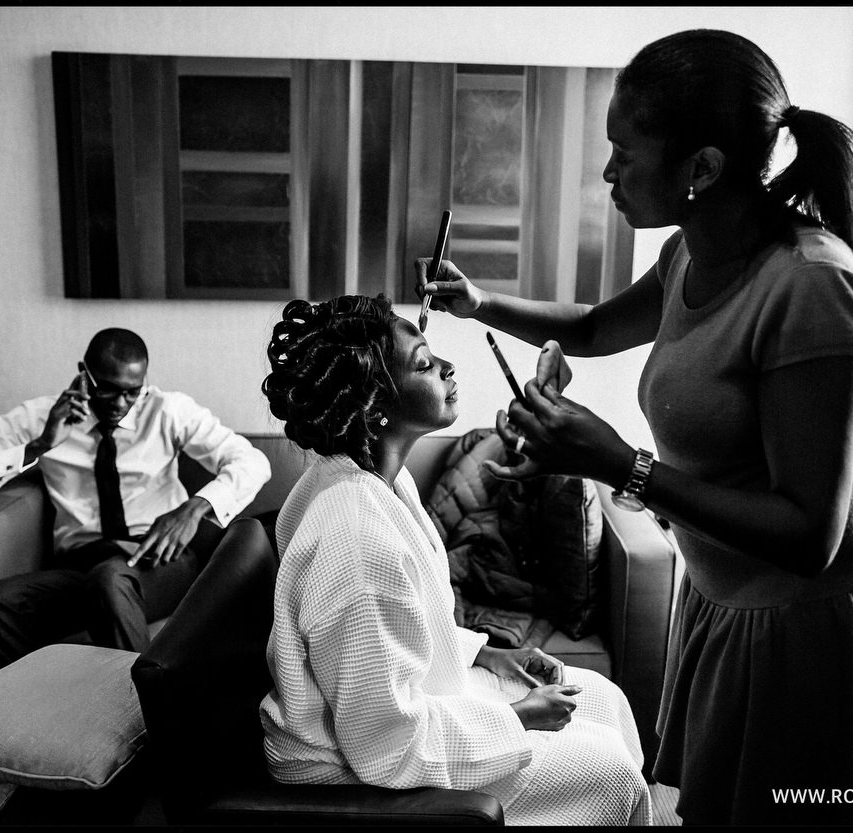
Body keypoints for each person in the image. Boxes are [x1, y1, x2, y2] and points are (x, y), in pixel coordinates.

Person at [415, 29, 853, 825]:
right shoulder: (693, 251)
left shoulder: (811, 287)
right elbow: (588, 326)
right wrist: (481, 304)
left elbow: (808, 535)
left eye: (624, 150)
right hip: (723, 598)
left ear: (702, 168)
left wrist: (621, 465)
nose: (609, 171)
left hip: (806, 616)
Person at [258, 294, 651, 826]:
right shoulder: (355, 539)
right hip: (354, 770)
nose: (447, 367)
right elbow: (385, 747)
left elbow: (399, 635)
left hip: (396, 717)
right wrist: (516, 718)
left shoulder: (376, 478)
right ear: (375, 407)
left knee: (600, 698)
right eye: (424, 363)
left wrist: (487, 655)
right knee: (611, 772)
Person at [0, 327, 271, 665]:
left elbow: (252, 462)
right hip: (81, 567)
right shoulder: (37, 418)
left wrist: (194, 509)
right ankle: (38, 701)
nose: (121, 404)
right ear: (83, 375)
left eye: (132, 392)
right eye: (107, 390)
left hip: (156, 561)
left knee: (110, 580)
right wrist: (39, 445)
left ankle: (138, 712)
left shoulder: (168, 410)